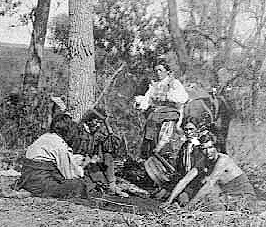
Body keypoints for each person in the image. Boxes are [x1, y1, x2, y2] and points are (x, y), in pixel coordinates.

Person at [161, 138, 256, 212]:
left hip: (243, 197)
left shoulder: (223, 160)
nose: (207, 152)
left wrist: (188, 208)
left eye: (210, 148)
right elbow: (185, 180)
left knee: (207, 201)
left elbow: (209, 185)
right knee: (184, 196)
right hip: (225, 195)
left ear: (216, 148)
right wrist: (169, 201)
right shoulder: (204, 160)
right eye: (204, 149)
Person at [14, 113, 93, 198]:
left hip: (26, 179)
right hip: (40, 181)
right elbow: (70, 174)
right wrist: (84, 165)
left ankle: (30, 192)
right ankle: (37, 192)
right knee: (78, 184)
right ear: (68, 131)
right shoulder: (60, 145)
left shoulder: (45, 137)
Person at [136, 60, 189, 159]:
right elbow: (147, 99)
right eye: (156, 71)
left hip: (171, 112)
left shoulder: (173, 83)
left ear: (167, 71)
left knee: (160, 129)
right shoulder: (154, 85)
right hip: (156, 113)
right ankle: (149, 152)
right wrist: (140, 102)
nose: (158, 73)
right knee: (151, 121)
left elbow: (183, 97)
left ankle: (161, 152)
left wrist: (169, 97)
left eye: (160, 70)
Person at [70, 108, 129, 197]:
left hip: (89, 166)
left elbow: (112, 145)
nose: (98, 125)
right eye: (96, 122)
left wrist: (107, 125)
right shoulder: (77, 130)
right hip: (74, 164)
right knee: (86, 185)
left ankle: (111, 185)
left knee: (107, 157)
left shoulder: (97, 134)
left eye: (100, 123)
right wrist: (85, 160)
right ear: (89, 120)